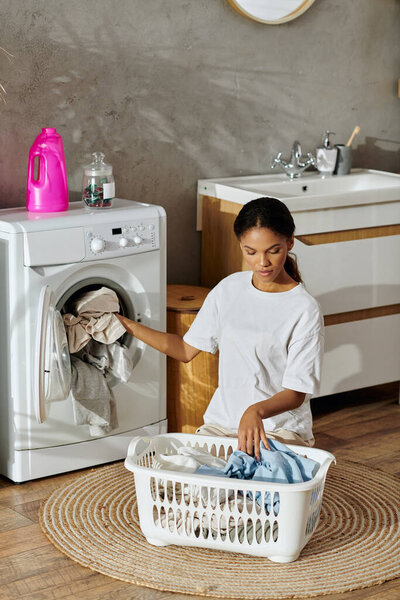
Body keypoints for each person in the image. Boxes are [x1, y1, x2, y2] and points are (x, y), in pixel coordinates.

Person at [116, 197, 325, 460]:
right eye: (251, 252)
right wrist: (122, 324)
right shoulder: (229, 289)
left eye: (273, 250)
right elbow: (183, 349)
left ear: (290, 243)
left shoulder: (304, 309)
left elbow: (296, 393)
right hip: (222, 427)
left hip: (279, 431)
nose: (262, 262)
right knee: (190, 483)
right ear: (241, 246)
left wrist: (255, 411)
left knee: (253, 490)